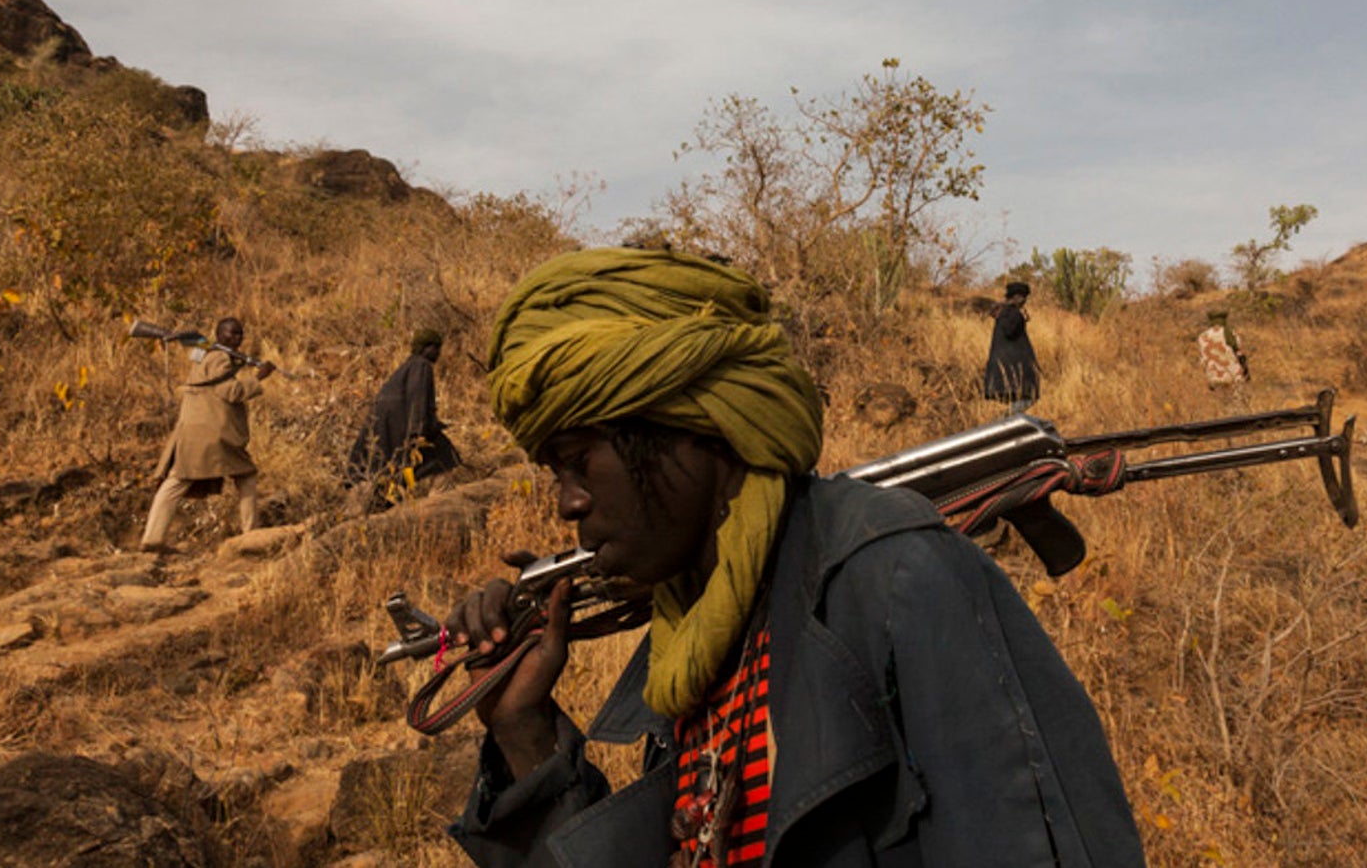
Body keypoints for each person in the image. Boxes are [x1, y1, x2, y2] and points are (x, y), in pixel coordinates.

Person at [443, 248, 1146, 867]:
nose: (566, 505)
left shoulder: (891, 581)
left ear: (691, 426)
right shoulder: (694, 637)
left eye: (577, 463)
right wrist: (523, 732)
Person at [139, 317, 275, 552]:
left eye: (239, 334)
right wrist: (258, 377)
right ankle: (251, 534)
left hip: (192, 429)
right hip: (214, 433)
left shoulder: (204, 352)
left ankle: (152, 538)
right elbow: (231, 392)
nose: (236, 339)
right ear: (219, 334)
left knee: (177, 481)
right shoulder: (220, 356)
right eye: (231, 334)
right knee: (246, 476)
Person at [345, 328, 460, 504]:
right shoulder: (422, 366)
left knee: (386, 476)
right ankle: (438, 506)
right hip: (405, 431)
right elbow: (417, 400)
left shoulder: (405, 368)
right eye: (436, 348)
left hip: (384, 433)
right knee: (445, 457)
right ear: (425, 348)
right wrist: (420, 430)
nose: (438, 353)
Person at [983, 280, 1041, 413]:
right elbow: (1011, 331)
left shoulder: (1003, 313)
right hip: (1013, 370)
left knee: (1021, 400)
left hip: (1004, 369)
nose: (1024, 301)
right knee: (1028, 397)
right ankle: (1002, 423)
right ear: (1017, 297)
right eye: (1023, 297)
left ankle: (1005, 423)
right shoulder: (1013, 314)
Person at [1197, 309, 1249, 386]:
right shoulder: (1232, 334)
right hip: (1231, 376)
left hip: (1212, 376)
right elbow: (1240, 355)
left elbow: (1202, 360)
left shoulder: (1202, 337)